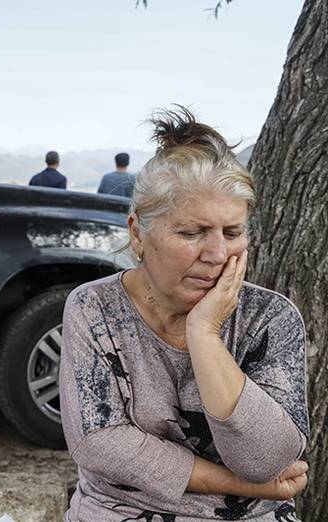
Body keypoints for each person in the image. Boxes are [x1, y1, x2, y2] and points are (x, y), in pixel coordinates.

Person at [59, 107, 309, 521]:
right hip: (120, 511)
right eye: (191, 233)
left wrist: (205, 334)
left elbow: (266, 460)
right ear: (137, 232)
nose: (216, 255)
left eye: (232, 233)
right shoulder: (94, 308)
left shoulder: (270, 318)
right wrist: (237, 484)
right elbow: (100, 443)